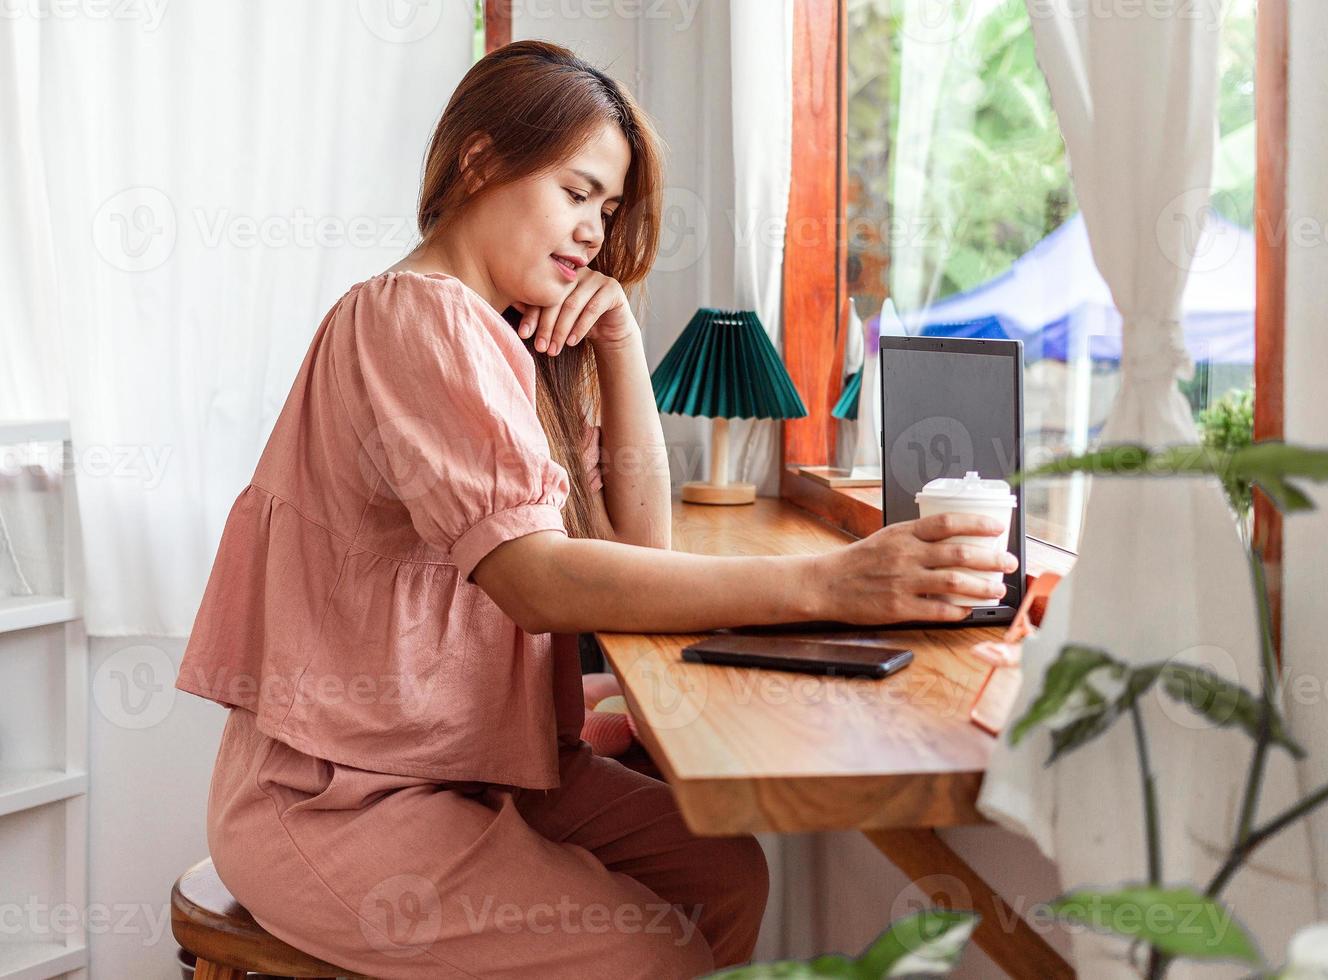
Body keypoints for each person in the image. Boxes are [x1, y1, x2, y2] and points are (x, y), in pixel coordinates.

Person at [174, 40, 1017, 980]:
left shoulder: (498, 339)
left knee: (723, 875)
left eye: (607, 210)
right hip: (341, 801)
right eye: (576, 194)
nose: (592, 231)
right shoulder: (416, 315)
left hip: (467, 768)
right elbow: (538, 582)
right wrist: (833, 579)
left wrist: (618, 337)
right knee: (647, 953)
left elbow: (636, 551)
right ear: (481, 161)